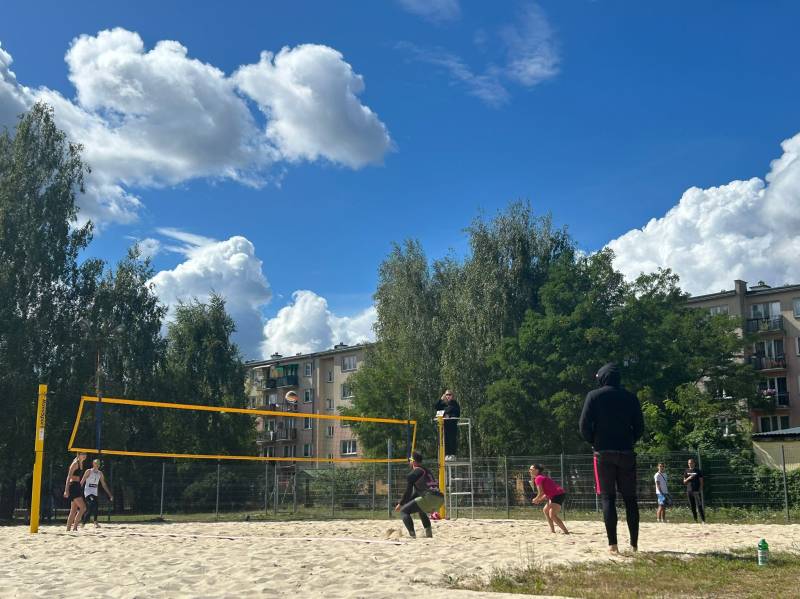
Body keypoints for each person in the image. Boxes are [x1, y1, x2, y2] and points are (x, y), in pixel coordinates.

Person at [579, 363, 644, 554]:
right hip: (626, 452)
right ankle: (634, 545)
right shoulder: (631, 397)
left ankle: (613, 545)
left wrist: (594, 441)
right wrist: (630, 440)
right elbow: (640, 427)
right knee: (630, 499)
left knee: (608, 497)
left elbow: (583, 425)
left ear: (602, 378)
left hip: (603, 453)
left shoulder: (594, 396)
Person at [394, 451, 444, 538]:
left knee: (404, 511)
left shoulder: (414, 473)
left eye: (410, 460)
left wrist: (401, 504)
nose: (409, 462)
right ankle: (429, 534)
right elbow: (416, 493)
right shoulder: (427, 471)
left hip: (430, 497)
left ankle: (412, 536)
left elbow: (408, 492)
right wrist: (407, 503)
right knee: (421, 509)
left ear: (413, 461)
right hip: (440, 499)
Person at [529, 464, 569, 534]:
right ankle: (552, 530)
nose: (529, 471)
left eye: (531, 469)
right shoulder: (540, 477)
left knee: (552, 515)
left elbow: (541, 492)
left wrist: (536, 499)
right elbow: (546, 493)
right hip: (554, 495)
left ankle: (566, 532)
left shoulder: (538, 478)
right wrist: (539, 499)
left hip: (558, 495)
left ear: (537, 470)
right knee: (545, 510)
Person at [81, 459, 113, 527]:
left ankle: (95, 522)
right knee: (92, 505)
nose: (97, 465)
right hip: (88, 492)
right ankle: (83, 523)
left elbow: (103, 484)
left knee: (95, 506)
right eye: (96, 463)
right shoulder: (89, 471)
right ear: (93, 464)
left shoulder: (100, 473)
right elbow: (82, 481)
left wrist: (109, 494)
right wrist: (77, 490)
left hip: (94, 493)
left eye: (98, 463)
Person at [63, 452, 88, 531]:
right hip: (73, 486)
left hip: (77, 486)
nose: (84, 455)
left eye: (85, 454)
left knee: (73, 510)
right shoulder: (75, 463)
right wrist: (66, 490)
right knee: (83, 508)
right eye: (82, 454)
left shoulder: (81, 463)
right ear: (78, 455)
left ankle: (68, 529)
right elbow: (68, 477)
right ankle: (75, 528)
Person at [434, 390, 460, 460]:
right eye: (446, 395)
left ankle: (453, 454)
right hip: (444, 425)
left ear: (452, 396)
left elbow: (456, 413)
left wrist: (448, 415)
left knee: (452, 439)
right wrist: (441, 399)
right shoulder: (443, 404)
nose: (448, 396)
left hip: (452, 425)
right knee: (445, 440)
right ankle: (447, 454)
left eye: (449, 395)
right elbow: (436, 407)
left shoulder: (455, 404)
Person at [683, 458, 705, 523]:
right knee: (692, 506)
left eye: (691, 463)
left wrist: (700, 489)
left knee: (699, 505)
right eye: (689, 463)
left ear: (694, 463)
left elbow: (701, 481)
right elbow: (684, 482)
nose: (690, 464)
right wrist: (689, 478)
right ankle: (695, 520)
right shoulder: (686, 471)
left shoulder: (698, 471)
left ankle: (703, 520)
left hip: (696, 491)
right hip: (689, 491)